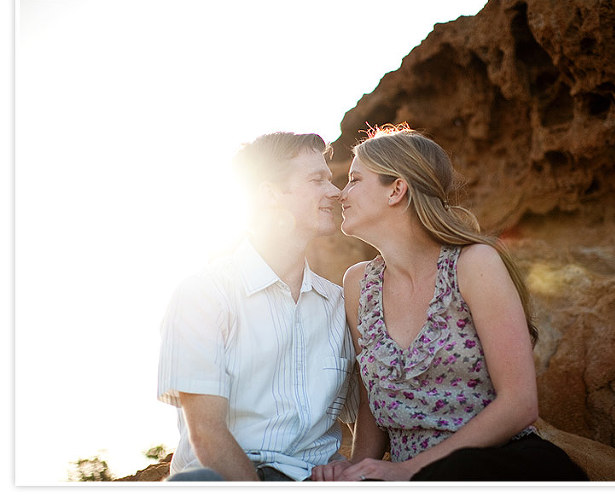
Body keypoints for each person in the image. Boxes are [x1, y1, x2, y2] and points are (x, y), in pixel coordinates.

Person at [311, 124, 588, 482]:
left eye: (354, 179)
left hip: (492, 466)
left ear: (396, 189)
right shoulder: (358, 284)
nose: (340, 193)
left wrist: (407, 470)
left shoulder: (474, 264)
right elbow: (372, 402)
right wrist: (358, 468)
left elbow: (520, 404)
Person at [157, 132, 358, 482]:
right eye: (317, 180)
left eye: (331, 179)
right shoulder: (203, 295)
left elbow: (377, 403)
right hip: (227, 480)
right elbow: (206, 435)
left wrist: (359, 464)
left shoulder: (339, 304)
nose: (335, 191)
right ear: (269, 195)